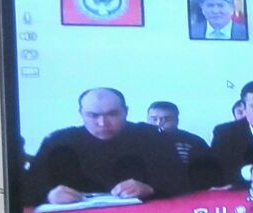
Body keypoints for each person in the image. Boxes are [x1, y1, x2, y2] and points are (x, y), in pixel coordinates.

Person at [26, 88, 187, 205]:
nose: (102, 123)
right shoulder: (57, 141)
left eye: (112, 114)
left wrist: (151, 189)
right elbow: (27, 190)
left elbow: (183, 182)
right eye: (93, 115)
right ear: (81, 114)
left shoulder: (152, 137)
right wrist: (48, 195)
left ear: (126, 112)